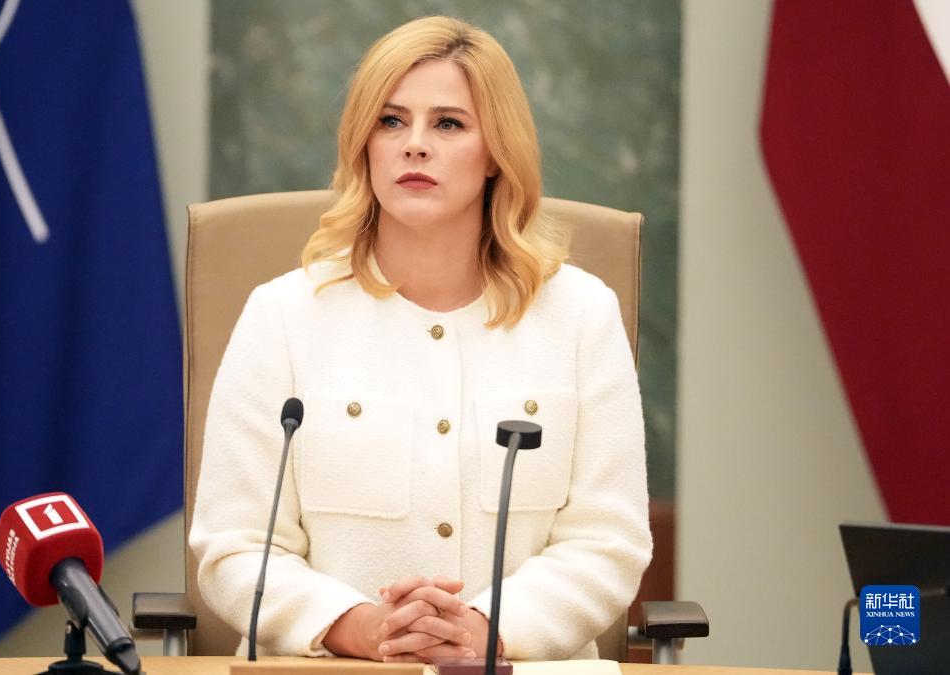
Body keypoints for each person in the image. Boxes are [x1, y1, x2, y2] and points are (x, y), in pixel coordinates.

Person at [189, 15, 652, 664]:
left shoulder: (580, 315)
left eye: (448, 124)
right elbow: (234, 546)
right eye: (390, 121)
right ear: (364, 146)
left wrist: (485, 631)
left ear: (497, 153)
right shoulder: (283, 315)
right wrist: (359, 626)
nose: (414, 145)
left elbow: (607, 541)